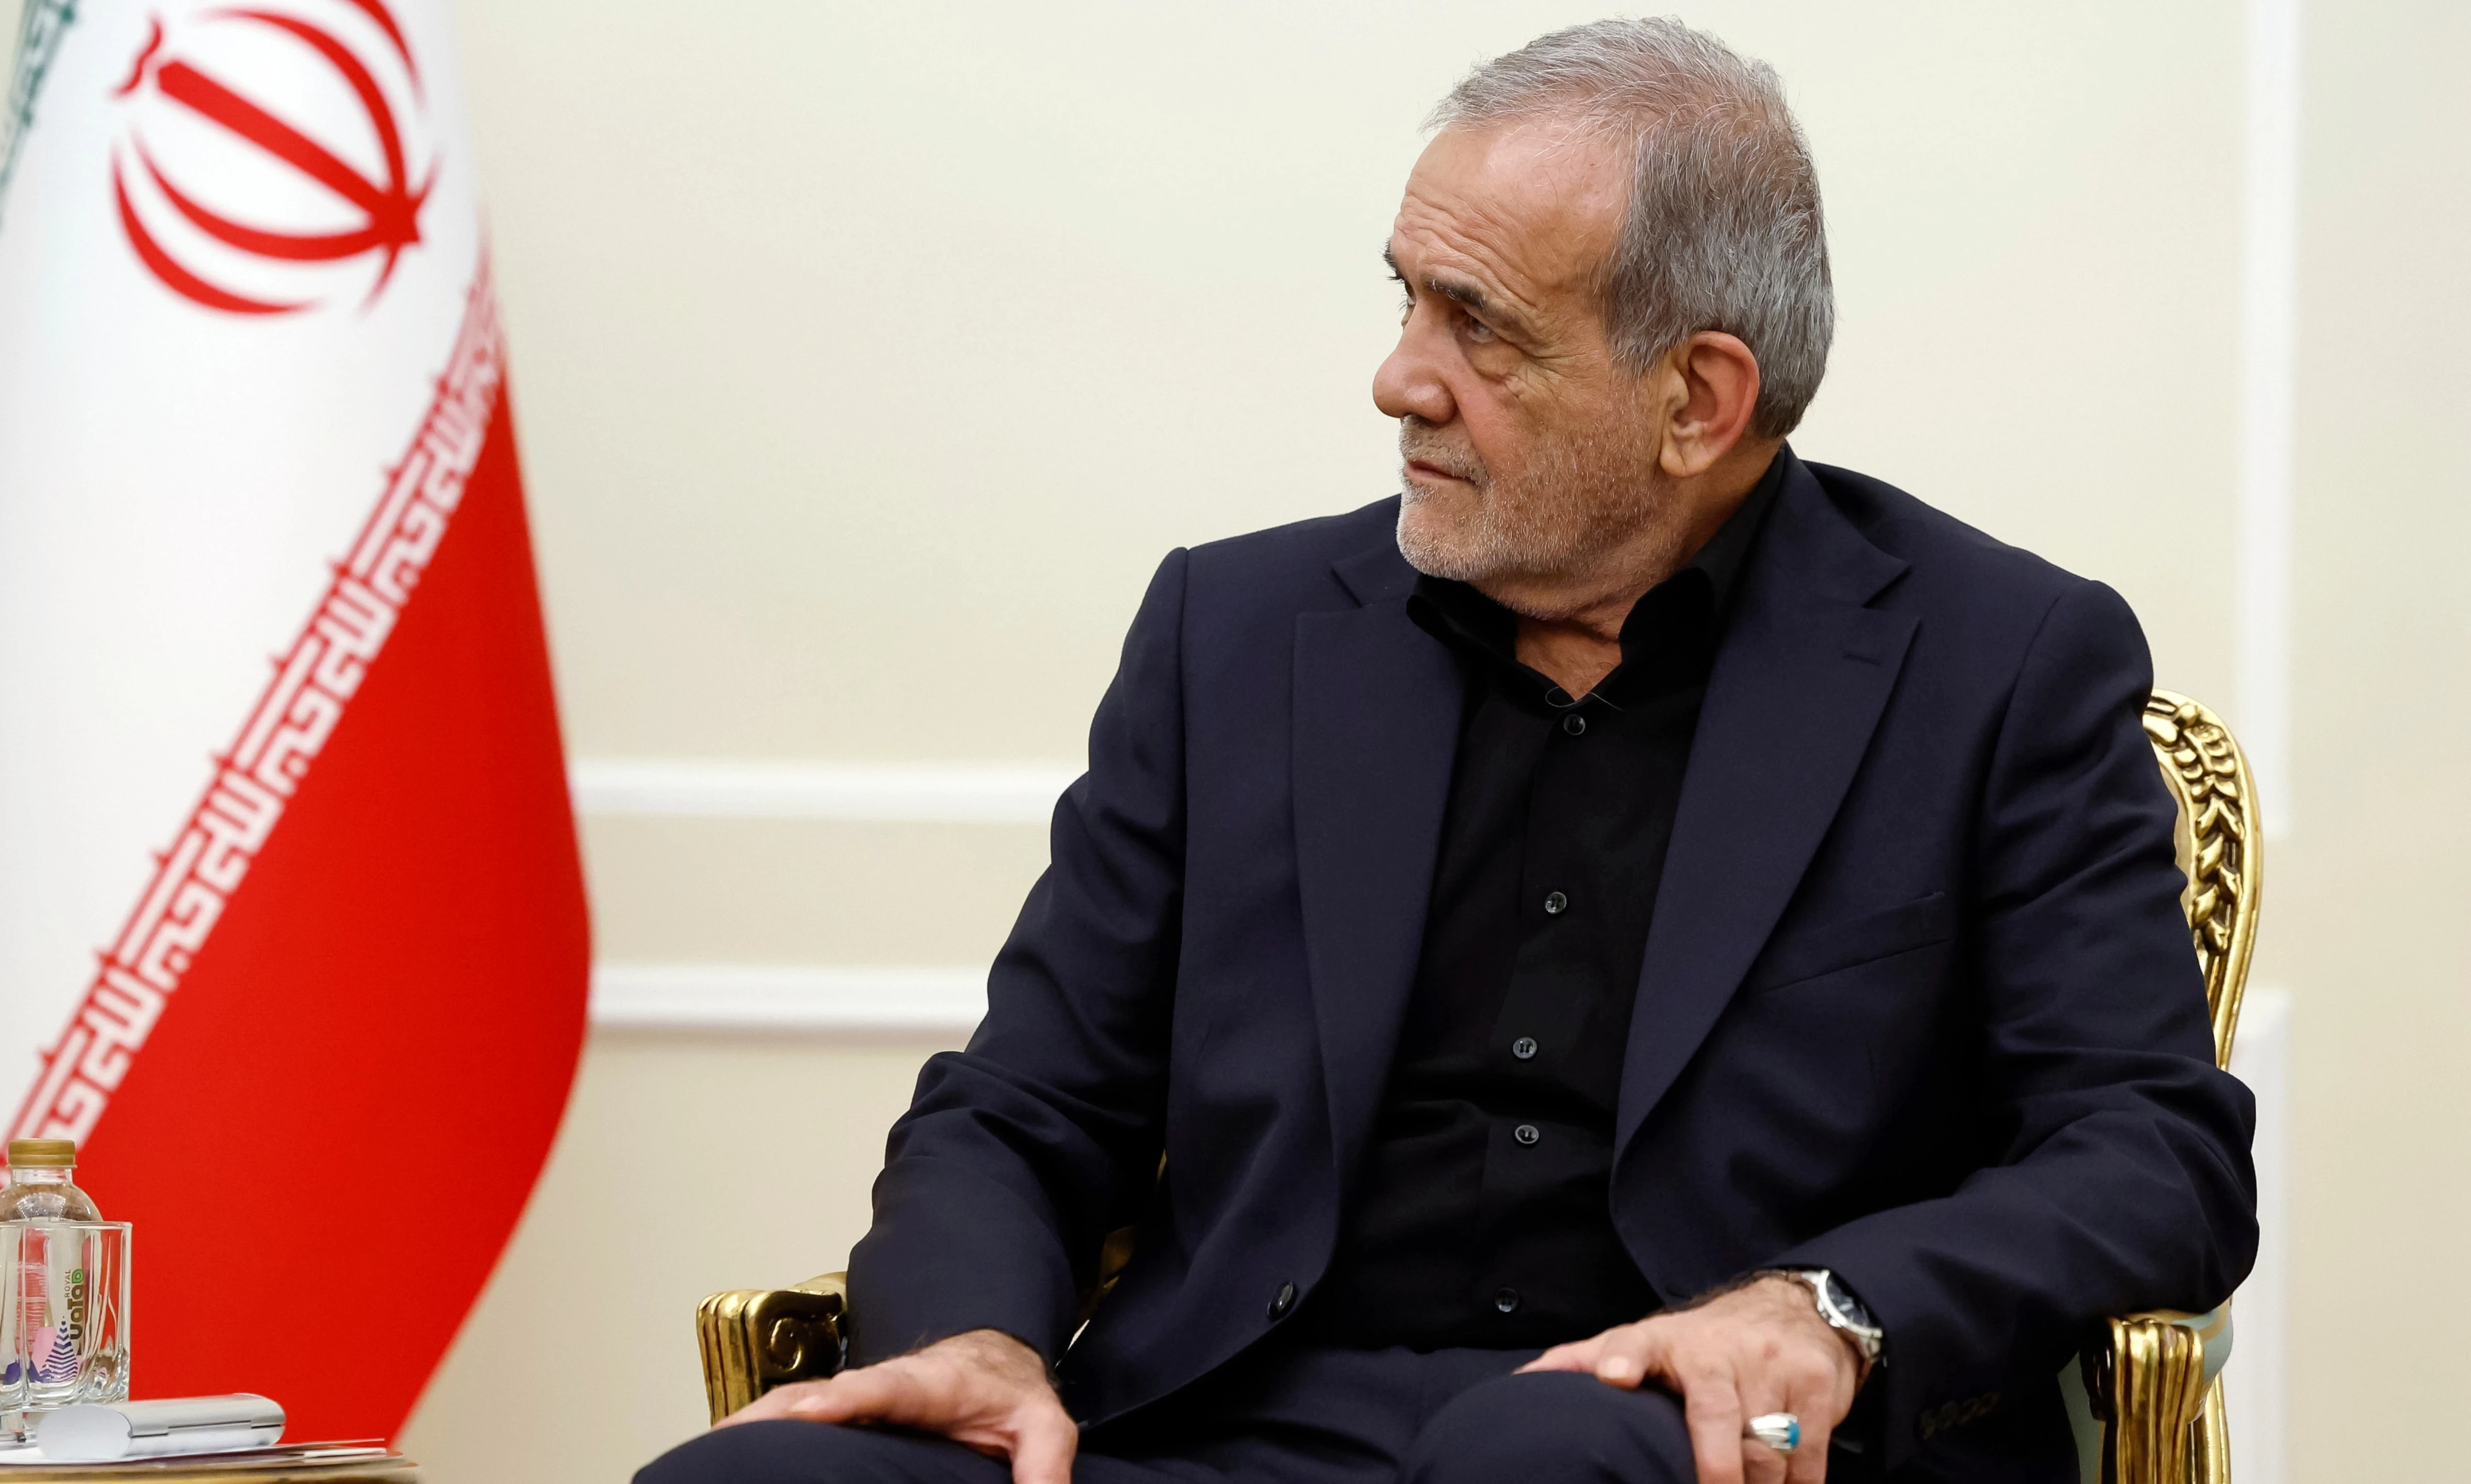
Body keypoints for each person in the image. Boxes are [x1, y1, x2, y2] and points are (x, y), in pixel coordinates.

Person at [639, 16, 2256, 1484]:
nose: (1397, 377)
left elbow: (2154, 1155)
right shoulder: (1241, 632)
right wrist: (972, 1337)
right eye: (1404, 295)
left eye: (1475, 327)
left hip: (1678, 1438)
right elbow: (1026, 1105)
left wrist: (1824, 1312)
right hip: (1227, 1428)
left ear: (1699, 398)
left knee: (1537, 1463)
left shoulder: (1994, 662)